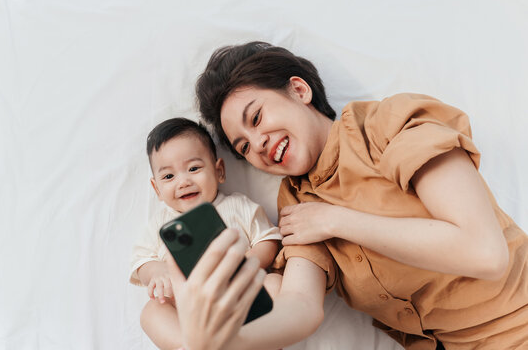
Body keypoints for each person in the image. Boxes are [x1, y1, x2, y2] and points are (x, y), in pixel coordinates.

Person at [172, 41, 528, 350]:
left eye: (257, 117)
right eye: (243, 147)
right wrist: (232, 340)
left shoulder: (389, 124)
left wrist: (336, 221)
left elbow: (485, 251)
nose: (259, 144)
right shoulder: (296, 204)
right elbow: (301, 304)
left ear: (299, 90)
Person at [129, 117, 282, 349]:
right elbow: (142, 261)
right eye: (169, 176)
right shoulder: (161, 225)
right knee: (152, 311)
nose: (183, 182)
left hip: (241, 301)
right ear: (156, 189)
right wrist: (158, 272)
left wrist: (245, 263)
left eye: (193, 168)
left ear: (219, 171)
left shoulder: (238, 206)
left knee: (274, 283)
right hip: (191, 314)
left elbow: (268, 240)